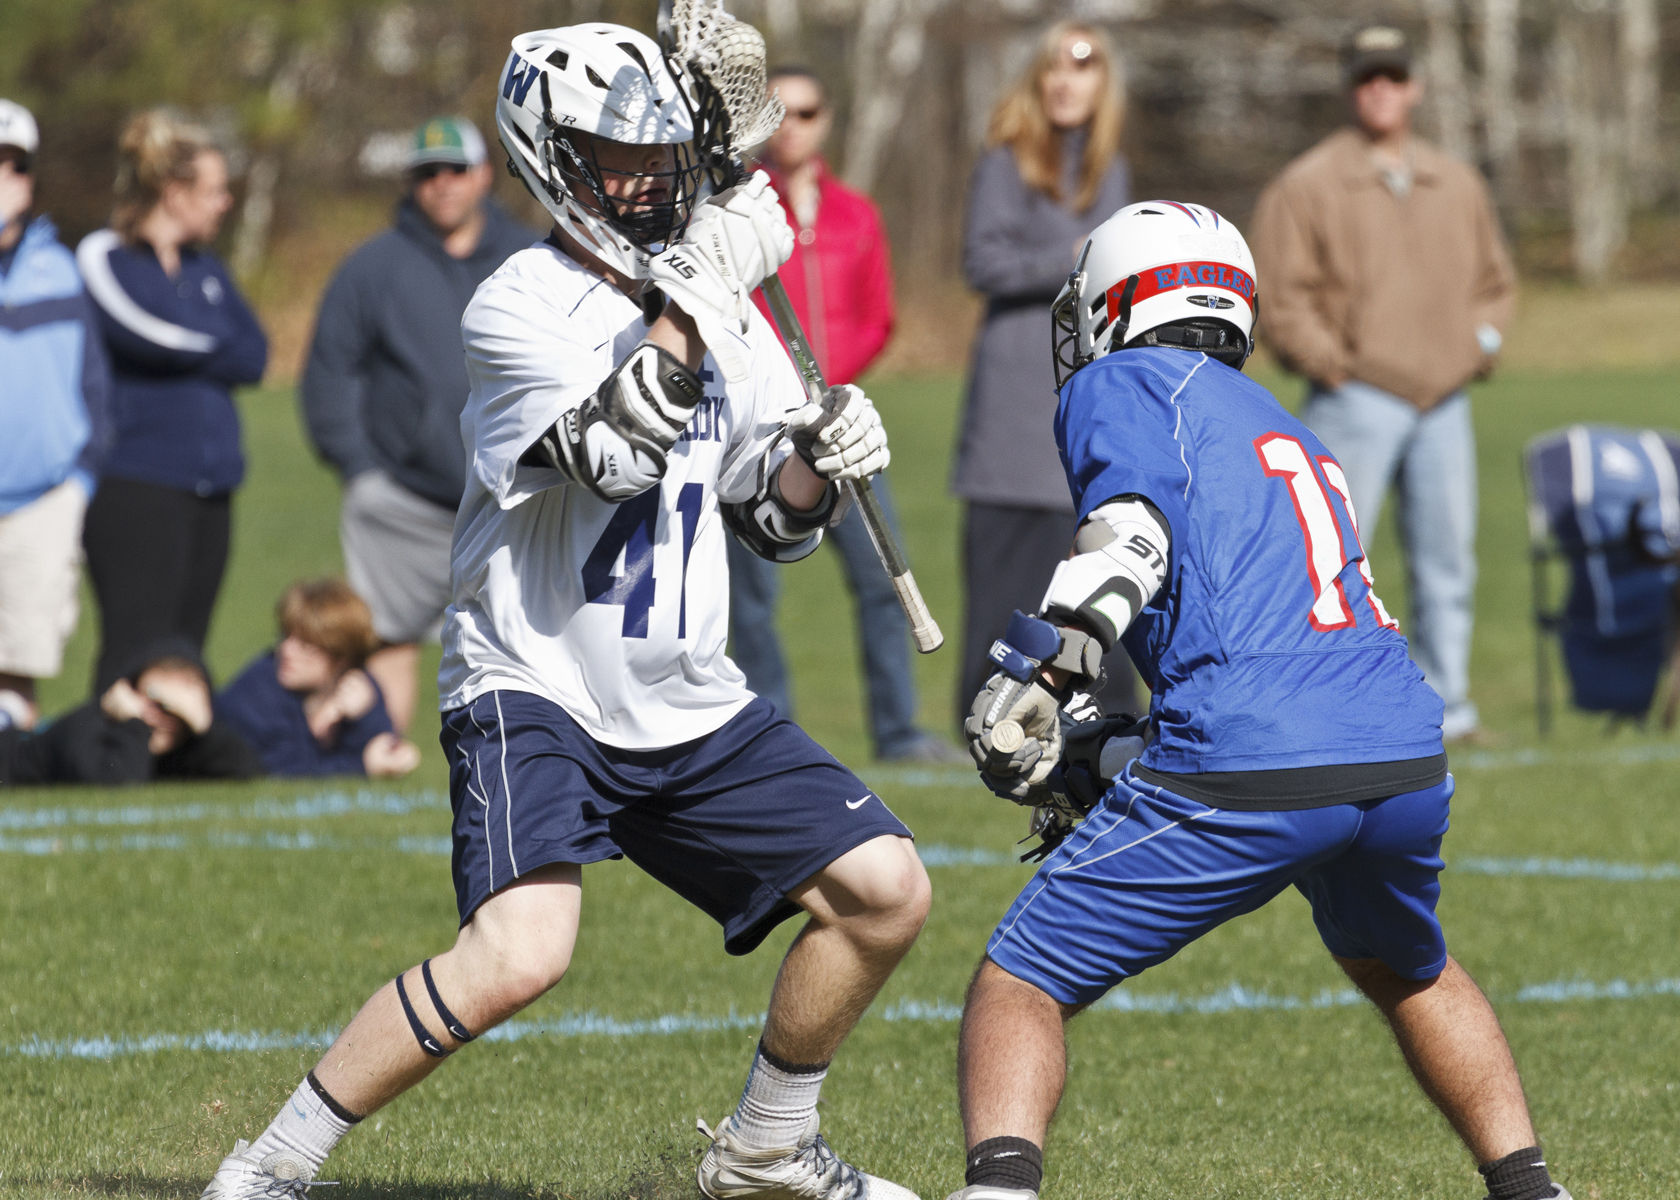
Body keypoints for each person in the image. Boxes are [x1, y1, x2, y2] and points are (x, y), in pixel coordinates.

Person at [201, 24, 929, 1200]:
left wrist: (820, 463)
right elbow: (615, 453)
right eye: (617, 156)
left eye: (661, 154)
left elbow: (767, 522)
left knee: (887, 891)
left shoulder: (727, 312)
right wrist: (699, 294)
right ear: (552, 160)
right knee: (518, 955)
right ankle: (273, 1164)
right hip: (533, 682)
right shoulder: (518, 305)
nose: (650, 181)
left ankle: (765, 1149)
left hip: (684, 693)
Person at [948, 201, 1571, 1200]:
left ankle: (997, 1191)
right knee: (1408, 969)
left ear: (1117, 301)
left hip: (1257, 753)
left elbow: (1130, 531)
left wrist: (1051, 672)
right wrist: (1118, 752)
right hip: (1400, 747)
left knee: (1023, 977)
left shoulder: (1123, 380)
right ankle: (1534, 1189)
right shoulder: (1284, 421)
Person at [1250, 24, 1517, 744]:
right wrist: (1332, 365)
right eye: (1368, 76)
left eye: (1394, 76)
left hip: (1444, 402)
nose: (1381, 89)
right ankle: (1320, 704)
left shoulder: (1456, 181)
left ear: (1415, 87)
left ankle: (1448, 706)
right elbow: (1280, 297)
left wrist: (1479, 345)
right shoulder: (1306, 184)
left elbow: (1496, 284)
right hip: (1353, 399)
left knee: (1447, 560)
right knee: (1329, 563)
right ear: (1349, 88)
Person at [724, 65, 959, 763]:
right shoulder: (737, 210)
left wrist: (826, 393)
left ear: (824, 119)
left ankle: (898, 730)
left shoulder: (857, 214)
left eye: (806, 111)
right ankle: (769, 729)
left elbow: (878, 316)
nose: (792, 126)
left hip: (838, 425)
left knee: (882, 577)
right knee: (751, 595)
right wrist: (779, 384)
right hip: (757, 424)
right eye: (780, 111)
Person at [300, 115, 540, 734]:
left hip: (518, 498)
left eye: (455, 169)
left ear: (483, 174)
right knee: (388, 640)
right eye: (427, 172)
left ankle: (532, 758)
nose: (442, 183)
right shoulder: (372, 267)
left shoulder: (532, 257)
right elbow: (329, 372)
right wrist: (360, 470)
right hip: (404, 501)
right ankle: (388, 758)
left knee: (533, 646)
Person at [953, 20, 1135, 729]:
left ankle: (1104, 716)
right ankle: (990, 715)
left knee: (1096, 563)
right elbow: (983, 262)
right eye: (1054, 65)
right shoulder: (1007, 161)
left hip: (1090, 397)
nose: (1066, 80)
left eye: (1083, 66)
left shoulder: (1112, 167)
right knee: (1007, 577)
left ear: (1103, 81)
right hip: (1013, 405)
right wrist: (1070, 255)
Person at [77, 108, 268, 694]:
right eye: (214, 191)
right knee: (133, 651)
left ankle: (166, 752)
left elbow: (255, 354)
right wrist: (214, 345)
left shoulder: (206, 268)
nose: (225, 204)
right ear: (173, 192)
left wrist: (207, 347)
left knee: (185, 655)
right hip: (137, 482)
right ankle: (111, 748)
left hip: (212, 488)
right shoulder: (105, 256)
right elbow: (153, 337)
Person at [0, 98, 111, 731]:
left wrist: (80, 479)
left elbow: (93, 385)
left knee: (18, 671)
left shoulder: (60, 269)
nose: (3, 179)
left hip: (42, 500)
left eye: (14, 166)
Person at [216, 579, 422, 779]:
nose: (287, 650)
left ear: (341, 657)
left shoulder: (358, 686)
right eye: (286, 636)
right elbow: (282, 770)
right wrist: (361, 766)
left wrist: (362, 721)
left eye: (305, 645)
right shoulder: (255, 693)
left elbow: (381, 743)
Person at [0, 640, 259, 786]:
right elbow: (119, 787)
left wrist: (204, 727)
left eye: (173, 709)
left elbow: (249, 775)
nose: (157, 717)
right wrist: (133, 723)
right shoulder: (89, 727)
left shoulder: (184, 743)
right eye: (152, 700)